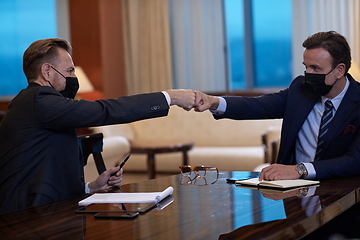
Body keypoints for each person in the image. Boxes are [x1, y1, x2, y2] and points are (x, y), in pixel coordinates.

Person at [0, 38, 195, 213]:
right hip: (26, 218)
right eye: (69, 71)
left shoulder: (42, 105)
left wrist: (91, 187)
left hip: (43, 212)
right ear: (47, 71)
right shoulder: (39, 99)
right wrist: (171, 97)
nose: (73, 77)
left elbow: (47, 172)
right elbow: (104, 110)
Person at [194, 31, 360, 182]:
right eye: (306, 67)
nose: (308, 74)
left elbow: (354, 160)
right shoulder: (300, 90)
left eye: (315, 68)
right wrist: (213, 102)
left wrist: (299, 170)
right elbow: (257, 105)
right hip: (292, 191)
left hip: (341, 191)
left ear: (339, 70)